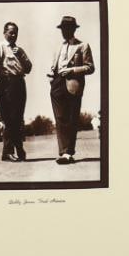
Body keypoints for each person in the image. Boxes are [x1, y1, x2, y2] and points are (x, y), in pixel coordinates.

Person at [47, 15, 95, 165]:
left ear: (73, 29)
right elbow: (54, 66)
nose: (64, 31)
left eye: (67, 28)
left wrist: (72, 70)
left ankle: (68, 153)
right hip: (57, 84)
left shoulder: (83, 46)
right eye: (62, 29)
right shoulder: (58, 47)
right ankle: (63, 152)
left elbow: (90, 67)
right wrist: (51, 78)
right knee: (60, 118)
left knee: (71, 118)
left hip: (73, 84)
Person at [0, 21, 33, 162]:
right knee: (9, 118)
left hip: (19, 83)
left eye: (15, 33)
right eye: (11, 32)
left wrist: (21, 55)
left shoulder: (19, 50)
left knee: (18, 118)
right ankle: (8, 152)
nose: (13, 35)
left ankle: (19, 149)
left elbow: (29, 68)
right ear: (4, 33)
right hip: (6, 83)